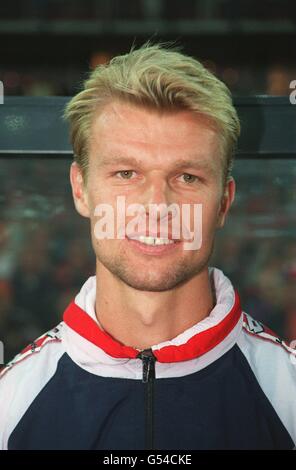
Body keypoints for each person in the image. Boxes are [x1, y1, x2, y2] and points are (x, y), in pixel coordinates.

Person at [0, 43, 295, 450]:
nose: (157, 206)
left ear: (224, 202)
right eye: (126, 173)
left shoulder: (288, 394)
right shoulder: (9, 403)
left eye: (187, 177)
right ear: (80, 189)